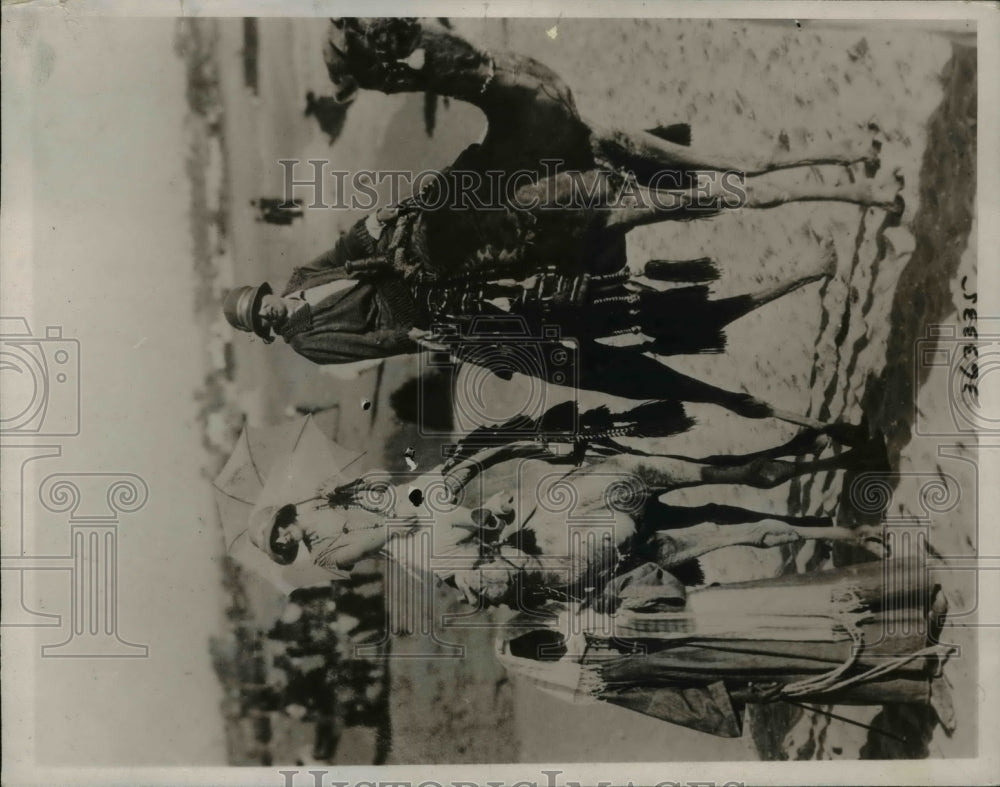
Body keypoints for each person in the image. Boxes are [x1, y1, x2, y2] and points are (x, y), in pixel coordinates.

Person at [496, 558, 956, 738]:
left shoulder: (594, 607)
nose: (551, 644)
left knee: (809, 601)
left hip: (720, 612)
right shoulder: (598, 678)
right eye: (540, 652)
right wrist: (735, 696)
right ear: (542, 668)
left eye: (541, 637)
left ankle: (914, 603)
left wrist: (632, 610)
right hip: (733, 661)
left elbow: (650, 575)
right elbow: (668, 703)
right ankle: (921, 676)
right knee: (812, 665)